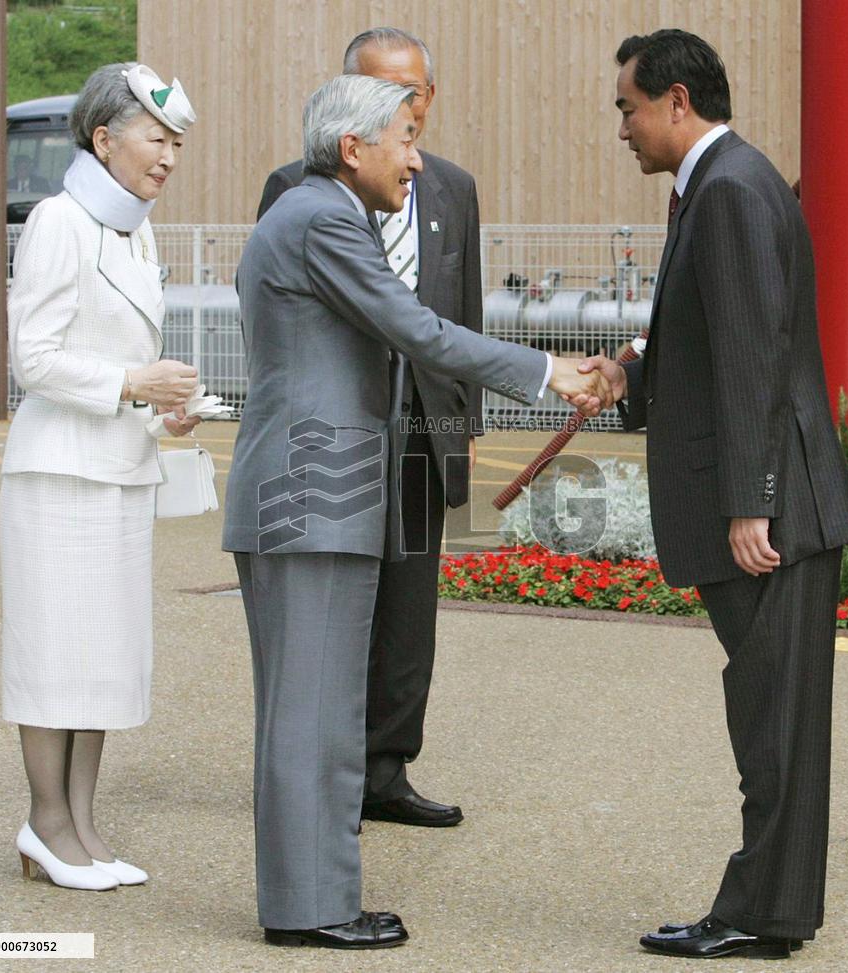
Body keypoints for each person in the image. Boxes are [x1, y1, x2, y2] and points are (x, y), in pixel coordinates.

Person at [224, 73, 608, 949]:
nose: (417, 158)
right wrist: (547, 370)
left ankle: (315, 895)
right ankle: (311, 908)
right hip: (312, 493)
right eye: (404, 137)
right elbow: (418, 328)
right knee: (314, 714)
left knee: (321, 709)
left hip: (316, 491)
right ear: (351, 147)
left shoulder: (321, 211)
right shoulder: (321, 218)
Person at [580, 30, 848, 959]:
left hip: (773, 512)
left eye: (627, 108)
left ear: (676, 101)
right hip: (780, 500)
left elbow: (754, 357)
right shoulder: (724, 182)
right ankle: (770, 909)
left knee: (773, 723)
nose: (622, 127)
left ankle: (758, 914)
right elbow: (716, 331)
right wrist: (633, 367)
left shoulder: (731, 190)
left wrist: (751, 502)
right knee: (775, 717)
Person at [259, 27, 480, 830]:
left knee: (409, 609)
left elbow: (461, 308)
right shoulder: (296, 188)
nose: (401, 105)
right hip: (337, 426)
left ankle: (386, 769)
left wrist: (461, 427)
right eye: (382, 89)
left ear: (432, 97)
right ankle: (328, 769)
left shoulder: (451, 187)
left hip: (422, 422)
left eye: (411, 92)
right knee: (333, 600)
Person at [0, 62, 198, 891]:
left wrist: (163, 410)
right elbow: (34, 358)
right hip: (59, 473)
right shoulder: (59, 220)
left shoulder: (134, 231)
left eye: (176, 143)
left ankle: (81, 825)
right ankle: (46, 823)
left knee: (103, 659)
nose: (169, 157)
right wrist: (131, 383)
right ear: (104, 138)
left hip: (118, 467)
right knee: (56, 655)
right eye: (157, 139)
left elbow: (121, 363)